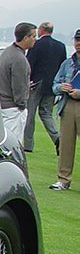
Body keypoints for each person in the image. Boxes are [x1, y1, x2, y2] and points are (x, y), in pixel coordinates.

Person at [0, 22, 37, 157]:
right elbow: (18, 88)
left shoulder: (8, 52)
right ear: (25, 38)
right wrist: (22, 104)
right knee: (12, 146)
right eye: (33, 36)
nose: (34, 40)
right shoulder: (19, 59)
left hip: (2, 104)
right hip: (13, 108)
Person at [24, 21, 67, 153]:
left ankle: (27, 145)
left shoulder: (36, 44)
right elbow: (62, 66)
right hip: (51, 84)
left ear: (41, 30)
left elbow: (29, 64)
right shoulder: (61, 46)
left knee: (30, 115)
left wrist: (27, 81)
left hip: (36, 83)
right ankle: (57, 138)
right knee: (46, 114)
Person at [49, 30, 80, 190]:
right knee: (66, 144)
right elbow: (54, 85)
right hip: (67, 104)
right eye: (77, 40)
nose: (78, 44)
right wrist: (61, 87)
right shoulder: (68, 63)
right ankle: (63, 179)